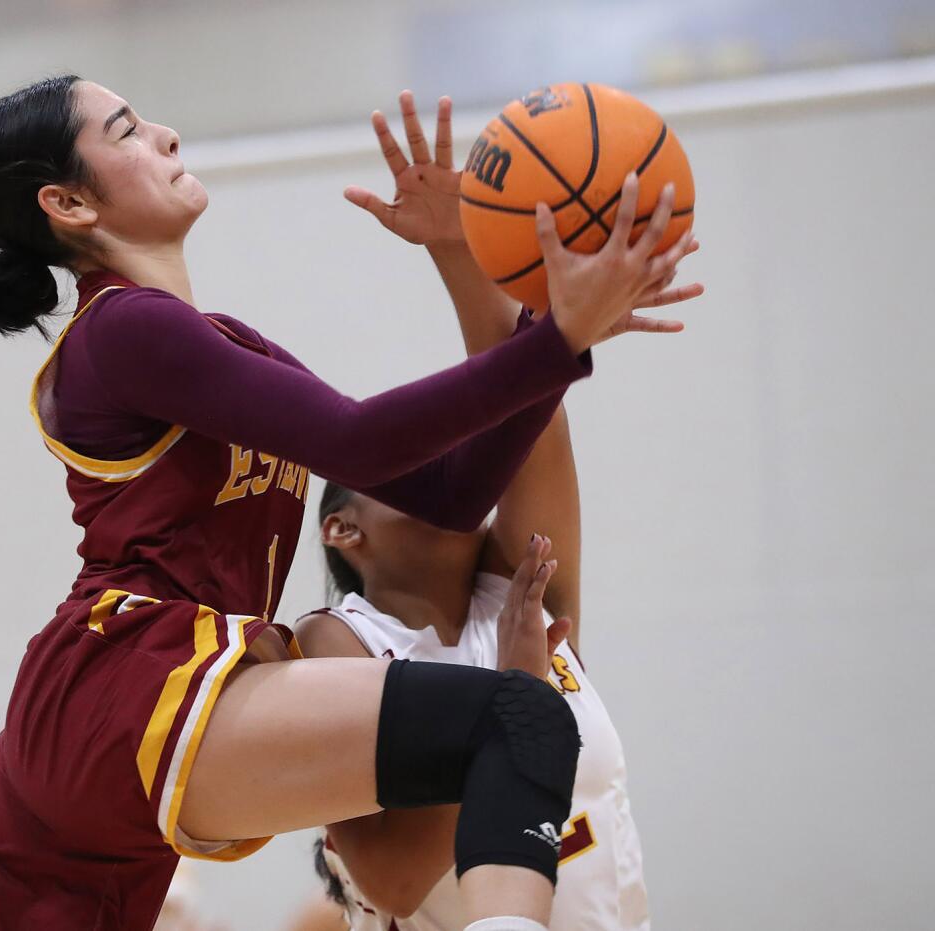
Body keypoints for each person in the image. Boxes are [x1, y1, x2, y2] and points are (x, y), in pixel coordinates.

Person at [0, 75, 699, 931]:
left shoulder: (221, 342)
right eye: (129, 132)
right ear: (68, 202)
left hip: (137, 697)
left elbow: (451, 492)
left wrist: (526, 312)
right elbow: (361, 441)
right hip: (123, 671)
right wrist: (556, 340)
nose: (169, 134)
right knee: (518, 717)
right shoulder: (120, 328)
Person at [297, 92, 692, 931]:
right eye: (411, 462)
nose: (455, 464)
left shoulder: (516, 592)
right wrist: (513, 691)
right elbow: (396, 878)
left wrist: (462, 249)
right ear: (343, 528)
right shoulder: (339, 642)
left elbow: (523, 411)